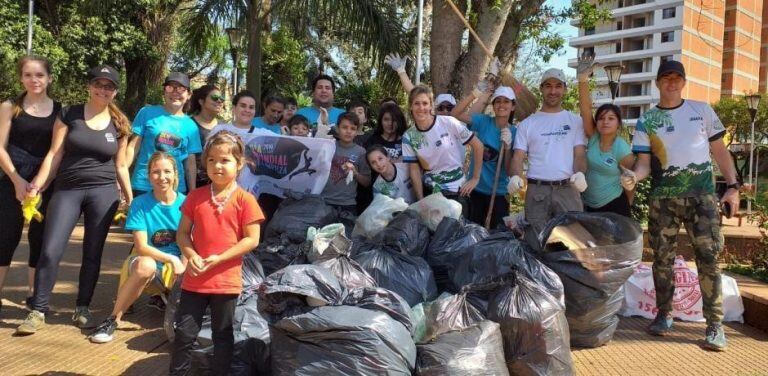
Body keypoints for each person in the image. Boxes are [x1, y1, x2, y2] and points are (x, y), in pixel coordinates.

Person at [17, 65, 133, 334]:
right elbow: (54, 155)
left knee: (93, 253)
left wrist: (129, 198)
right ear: (89, 86)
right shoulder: (69, 114)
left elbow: (121, 166)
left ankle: (82, 308)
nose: (102, 90)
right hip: (67, 189)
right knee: (50, 248)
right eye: (98, 84)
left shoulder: (119, 123)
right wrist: (39, 185)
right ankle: (38, 309)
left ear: (114, 91)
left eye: (108, 86)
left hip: (103, 193)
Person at [631, 60, 739, 351]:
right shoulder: (647, 120)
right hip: (662, 200)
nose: (671, 83)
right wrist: (632, 178)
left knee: (709, 259)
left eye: (677, 78)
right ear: (657, 83)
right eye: (666, 78)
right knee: (662, 260)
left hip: (701, 198)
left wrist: (733, 187)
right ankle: (664, 315)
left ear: (684, 81)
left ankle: (714, 325)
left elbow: (719, 151)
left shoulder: (701, 110)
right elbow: (643, 165)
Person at [170, 130, 263, 375]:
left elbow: (252, 239)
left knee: (223, 336)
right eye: (211, 160)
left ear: (239, 163)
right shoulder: (196, 197)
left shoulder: (246, 200)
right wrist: (191, 256)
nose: (217, 166)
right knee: (184, 333)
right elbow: (182, 234)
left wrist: (220, 258)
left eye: (225, 160)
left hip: (226, 281)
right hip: (195, 279)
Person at [89, 152, 186, 343]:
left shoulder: (186, 203)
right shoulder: (140, 204)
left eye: (167, 171)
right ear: (149, 176)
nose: (162, 177)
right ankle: (112, 320)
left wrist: (182, 263)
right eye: (156, 172)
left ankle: (184, 319)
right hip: (147, 262)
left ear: (175, 174)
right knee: (146, 265)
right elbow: (141, 247)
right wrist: (172, 259)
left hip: (178, 265)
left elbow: (189, 243)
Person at [0, 56, 60, 312]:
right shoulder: (9, 106)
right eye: (28, 75)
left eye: (39, 75)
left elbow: (57, 151)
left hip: (43, 182)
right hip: (10, 178)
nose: (34, 80)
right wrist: (17, 180)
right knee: (5, 237)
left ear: (49, 79)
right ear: (21, 78)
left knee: (40, 239)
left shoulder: (60, 110)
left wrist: (41, 182)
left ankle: (35, 298)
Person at [509, 68, 587, 249]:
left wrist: (581, 173)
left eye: (558, 86)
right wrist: (515, 175)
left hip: (568, 189)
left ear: (565, 89)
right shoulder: (528, 124)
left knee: (573, 245)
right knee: (536, 245)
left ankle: (568, 278)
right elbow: (518, 157)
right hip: (537, 192)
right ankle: (538, 278)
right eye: (548, 86)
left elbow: (580, 154)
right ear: (541, 89)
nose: (553, 91)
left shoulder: (575, 121)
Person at [403, 85, 484, 217]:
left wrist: (475, 178)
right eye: (416, 103)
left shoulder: (449, 122)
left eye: (425, 103)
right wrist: (421, 199)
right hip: (432, 194)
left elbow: (478, 145)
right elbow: (414, 170)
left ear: (431, 106)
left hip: (458, 192)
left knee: (457, 236)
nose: (421, 108)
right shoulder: (408, 136)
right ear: (411, 106)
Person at [576, 52, 635, 217]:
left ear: (618, 123)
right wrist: (582, 80)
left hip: (614, 205)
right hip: (588, 205)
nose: (605, 122)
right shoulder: (593, 136)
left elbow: (630, 184)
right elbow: (586, 109)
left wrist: (627, 206)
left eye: (611, 118)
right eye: (601, 118)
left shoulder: (622, 149)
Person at [452, 82, 517, 228]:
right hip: (475, 189)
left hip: (499, 194)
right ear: (493, 105)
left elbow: (508, 169)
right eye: (498, 101)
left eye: (506, 101)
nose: (501, 105)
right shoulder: (483, 121)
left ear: (513, 106)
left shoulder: (515, 132)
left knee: (496, 238)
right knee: (471, 234)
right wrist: (475, 94)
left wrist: (508, 147)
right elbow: (455, 114)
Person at [126, 72, 201, 196]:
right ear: (164, 92)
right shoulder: (146, 113)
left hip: (175, 188)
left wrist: (192, 193)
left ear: (188, 94)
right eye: (170, 87)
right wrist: (121, 176)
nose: (175, 92)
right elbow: (132, 148)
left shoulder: (191, 125)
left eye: (181, 89)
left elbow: (190, 163)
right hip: (143, 185)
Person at [321, 112, 371, 232]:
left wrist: (355, 173)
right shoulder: (328, 145)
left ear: (357, 131)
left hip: (348, 204)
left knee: (344, 242)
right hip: (324, 201)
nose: (348, 131)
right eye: (344, 127)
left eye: (352, 128)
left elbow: (367, 182)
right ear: (337, 128)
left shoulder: (361, 152)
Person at [188, 85, 223, 188]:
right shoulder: (188, 124)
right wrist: (192, 191)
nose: (220, 101)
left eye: (222, 99)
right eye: (215, 98)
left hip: (218, 184)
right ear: (201, 101)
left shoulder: (224, 127)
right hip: (192, 184)